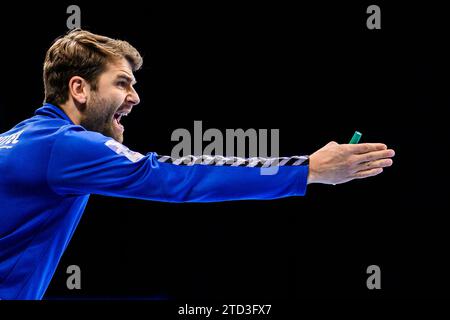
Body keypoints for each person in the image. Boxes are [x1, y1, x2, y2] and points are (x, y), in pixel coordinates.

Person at [0, 29, 395, 300]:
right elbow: (179, 176)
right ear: (79, 88)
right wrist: (308, 168)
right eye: (122, 83)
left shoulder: (16, 140)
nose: (135, 97)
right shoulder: (65, 146)